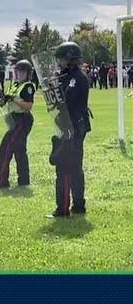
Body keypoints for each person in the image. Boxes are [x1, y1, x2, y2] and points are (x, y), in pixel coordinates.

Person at [48, 42, 91, 218]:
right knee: (74, 166)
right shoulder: (66, 77)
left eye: (62, 59)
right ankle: (78, 205)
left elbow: (67, 101)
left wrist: (54, 89)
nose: (59, 62)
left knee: (65, 166)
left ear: (70, 59)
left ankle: (64, 208)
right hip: (69, 125)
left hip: (74, 127)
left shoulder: (77, 78)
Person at [0, 60, 35, 188]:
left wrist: (14, 99)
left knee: (6, 149)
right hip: (14, 119)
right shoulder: (15, 85)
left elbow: (28, 106)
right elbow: (7, 101)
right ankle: (24, 180)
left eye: (23, 72)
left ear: (28, 73)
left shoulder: (28, 86)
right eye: (18, 71)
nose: (19, 74)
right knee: (19, 150)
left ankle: (2, 181)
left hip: (22, 120)